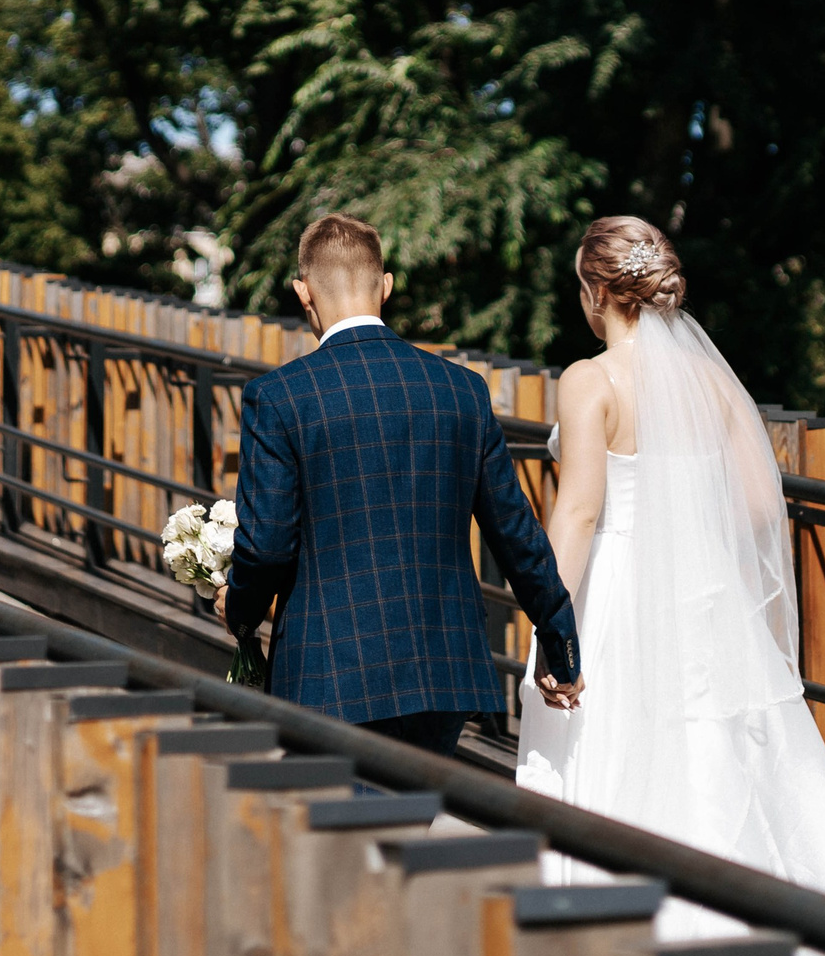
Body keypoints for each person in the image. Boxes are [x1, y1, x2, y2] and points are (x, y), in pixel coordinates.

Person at [515, 215, 825, 956]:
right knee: (720, 755)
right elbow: (762, 506)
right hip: (704, 598)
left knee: (625, 751)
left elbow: (579, 513)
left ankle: (632, 946)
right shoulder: (710, 380)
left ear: (597, 290)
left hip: (620, 595)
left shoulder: (589, 380)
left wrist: (551, 621)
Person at [220, 213, 583, 757]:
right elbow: (516, 531)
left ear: (303, 292)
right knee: (404, 836)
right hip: (444, 671)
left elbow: (268, 543)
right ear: (386, 286)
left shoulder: (280, 396)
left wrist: (241, 611)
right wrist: (559, 643)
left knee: (345, 839)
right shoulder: (462, 390)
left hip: (329, 674)